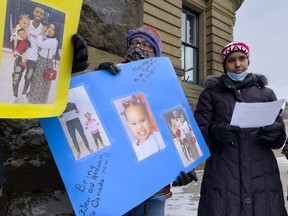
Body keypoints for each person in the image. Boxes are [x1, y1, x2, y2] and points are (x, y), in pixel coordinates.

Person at [71, 26, 197, 216]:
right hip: (119, 178)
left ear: (156, 52)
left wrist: (188, 164)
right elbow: (92, 107)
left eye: (147, 45)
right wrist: (99, 77)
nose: (139, 48)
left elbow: (176, 122)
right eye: (134, 43)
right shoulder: (111, 75)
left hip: (156, 182)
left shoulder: (165, 85)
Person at [193, 41, 287, 215]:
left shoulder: (266, 93)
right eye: (231, 60)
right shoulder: (210, 94)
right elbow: (197, 134)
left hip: (262, 175)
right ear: (224, 64)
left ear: (248, 61)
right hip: (223, 174)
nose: (237, 64)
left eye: (242, 58)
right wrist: (215, 131)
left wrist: (276, 132)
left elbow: (279, 140)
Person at [10, 6, 46, 104]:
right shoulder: (25, 22)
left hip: (33, 59)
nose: (38, 14)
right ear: (33, 12)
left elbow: (43, 44)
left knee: (28, 78)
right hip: (21, 56)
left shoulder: (43, 29)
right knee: (16, 77)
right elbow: (15, 33)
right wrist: (14, 48)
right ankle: (15, 96)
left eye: (41, 13)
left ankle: (24, 94)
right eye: (37, 12)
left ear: (43, 17)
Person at [122, 95, 165, 161]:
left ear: (149, 118)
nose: (140, 126)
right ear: (129, 125)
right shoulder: (133, 148)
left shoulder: (159, 137)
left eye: (142, 120)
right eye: (134, 124)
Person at [27, 23, 59, 104]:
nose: (50, 30)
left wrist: (41, 32)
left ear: (56, 32)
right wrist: (44, 34)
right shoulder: (47, 37)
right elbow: (42, 40)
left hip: (45, 62)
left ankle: (38, 100)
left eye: (53, 29)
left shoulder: (53, 41)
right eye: (50, 27)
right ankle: (32, 95)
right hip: (41, 60)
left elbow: (39, 43)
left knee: (42, 81)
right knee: (36, 79)